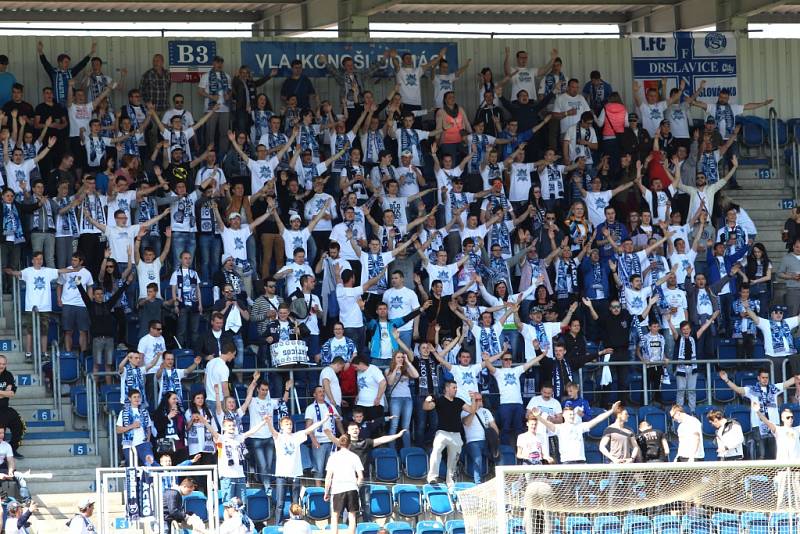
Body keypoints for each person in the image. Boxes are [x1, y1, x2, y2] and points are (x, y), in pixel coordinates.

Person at [718, 368, 797, 460]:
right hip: (758, 424)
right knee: (761, 453)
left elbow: (789, 382)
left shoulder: (774, 388)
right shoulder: (752, 390)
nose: (765, 379)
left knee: (775, 453)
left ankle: (775, 473)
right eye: (763, 377)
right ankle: (761, 473)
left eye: (767, 377)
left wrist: (797, 376)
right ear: (758, 378)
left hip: (774, 425)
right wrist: (726, 379)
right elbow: (738, 389)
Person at [267, 412, 330, 525]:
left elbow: (309, 429)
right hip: (281, 475)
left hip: (295, 474)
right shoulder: (279, 437)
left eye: (290, 424)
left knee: (295, 502)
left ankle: (295, 523)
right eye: (286, 424)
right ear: (281, 426)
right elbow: (272, 430)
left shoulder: (297, 436)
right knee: (280, 503)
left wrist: (323, 421)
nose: (289, 426)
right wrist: (268, 422)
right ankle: (278, 524)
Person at [201, 410, 271, 504]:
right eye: (229, 426)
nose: (232, 427)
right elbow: (213, 432)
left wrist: (264, 422)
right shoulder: (221, 438)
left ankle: (240, 518)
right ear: (224, 427)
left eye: (233, 425)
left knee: (241, 504)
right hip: (227, 475)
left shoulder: (239, 437)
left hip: (240, 475)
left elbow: (251, 432)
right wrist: (206, 423)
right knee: (228, 504)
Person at [532, 401, 621, 464]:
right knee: (568, 490)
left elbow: (597, 419)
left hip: (581, 461)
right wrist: (538, 416)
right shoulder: (560, 428)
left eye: (573, 414)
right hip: (567, 463)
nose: (572, 416)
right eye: (570, 414)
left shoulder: (580, 426)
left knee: (584, 490)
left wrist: (611, 411)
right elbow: (547, 423)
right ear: (563, 415)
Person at [423, 379, 475, 485]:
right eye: (453, 387)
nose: (456, 390)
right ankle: (432, 477)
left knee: (453, 460)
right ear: (447, 388)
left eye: (456, 388)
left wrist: (473, 399)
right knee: (436, 451)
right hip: (442, 433)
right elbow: (426, 407)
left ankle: (450, 482)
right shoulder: (439, 400)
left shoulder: (459, 401)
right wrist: (427, 400)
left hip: (456, 435)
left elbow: (471, 410)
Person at [324, 433, 364, 534]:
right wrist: (356, 486)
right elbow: (361, 477)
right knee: (352, 516)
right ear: (349, 444)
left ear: (339, 444)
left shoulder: (333, 457)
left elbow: (328, 477)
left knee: (335, 516)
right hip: (352, 488)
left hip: (337, 489)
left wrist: (326, 492)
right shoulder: (354, 456)